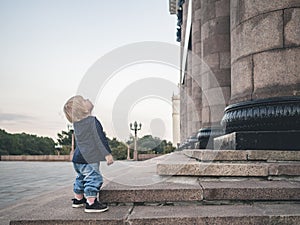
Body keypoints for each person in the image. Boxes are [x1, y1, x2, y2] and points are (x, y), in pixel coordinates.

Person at [63, 95, 114, 213]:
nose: (88, 99)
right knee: (93, 178)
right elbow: (99, 139)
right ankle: (91, 203)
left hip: (78, 158)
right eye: (84, 100)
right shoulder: (92, 121)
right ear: (82, 108)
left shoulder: (77, 124)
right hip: (89, 158)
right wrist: (107, 154)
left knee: (81, 177)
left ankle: (78, 199)